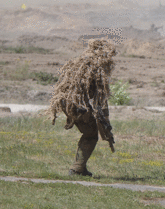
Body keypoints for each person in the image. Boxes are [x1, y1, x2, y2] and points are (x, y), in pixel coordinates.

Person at [47, 39, 117, 177]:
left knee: (88, 134)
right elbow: (100, 98)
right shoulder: (97, 70)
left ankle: (80, 167)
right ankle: (77, 169)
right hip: (80, 108)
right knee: (91, 136)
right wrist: (105, 123)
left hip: (68, 105)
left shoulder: (77, 65)